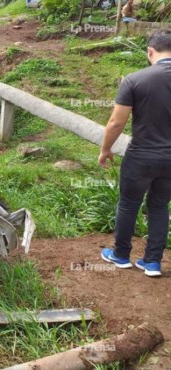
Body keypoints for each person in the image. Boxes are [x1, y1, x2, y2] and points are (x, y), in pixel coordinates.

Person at [100, 29, 171, 277]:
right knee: (160, 206)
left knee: (129, 204)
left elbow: (116, 123)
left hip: (141, 155)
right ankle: (152, 262)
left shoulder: (135, 79)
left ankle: (120, 255)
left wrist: (106, 149)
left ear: (150, 51)